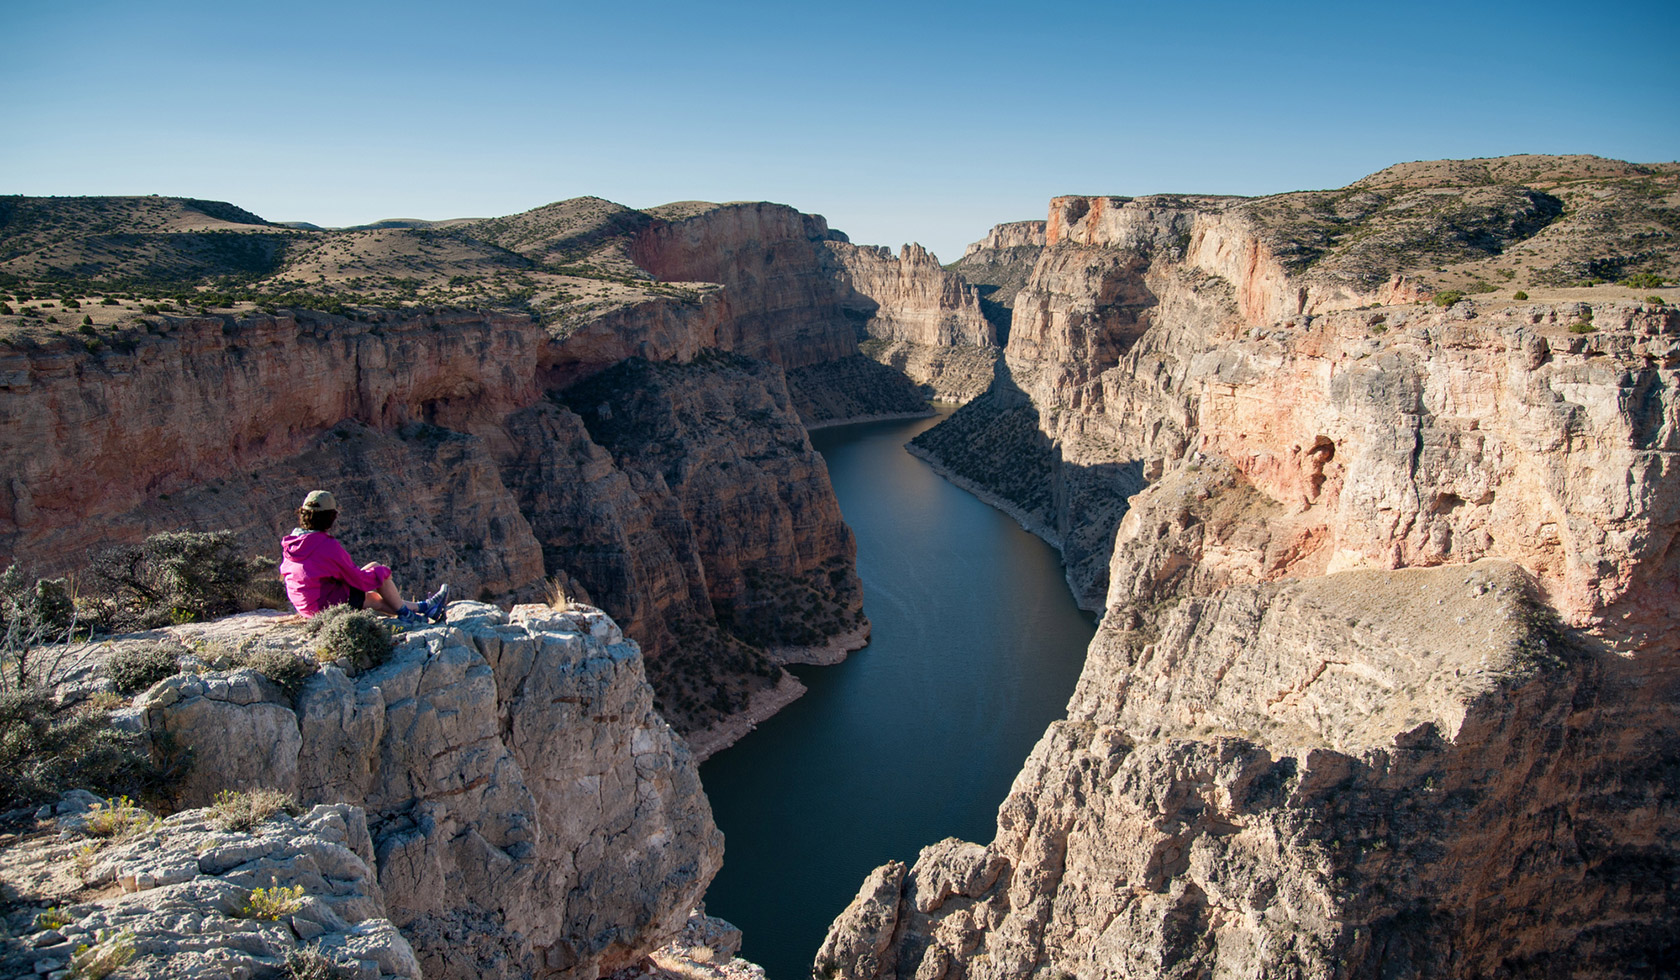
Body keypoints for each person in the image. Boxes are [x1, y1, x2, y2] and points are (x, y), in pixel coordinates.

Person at [279, 490, 448, 624]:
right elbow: (358, 580)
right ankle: (410, 615)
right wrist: (383, 573)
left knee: (372, 598)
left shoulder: (293, 542)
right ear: (331, 517)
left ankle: (424, 608)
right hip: (322, 606)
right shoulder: (326, 546)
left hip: (306, 605)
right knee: (377, 575)